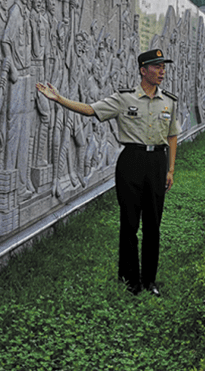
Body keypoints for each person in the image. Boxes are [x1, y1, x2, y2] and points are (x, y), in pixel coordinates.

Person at [36, 48, 180, 296]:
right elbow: (91, 109)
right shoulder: (124, 99)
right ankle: (130, 280)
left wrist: (170, 169)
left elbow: (172, 135)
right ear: (143, 70)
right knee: (130, 223)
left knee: (153, 225)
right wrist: (59, 100)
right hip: (131, 162)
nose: (162, 72)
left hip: (157, 161)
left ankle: (149, 281)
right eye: (157, 67)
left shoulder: (169, 101)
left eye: (163, 67)